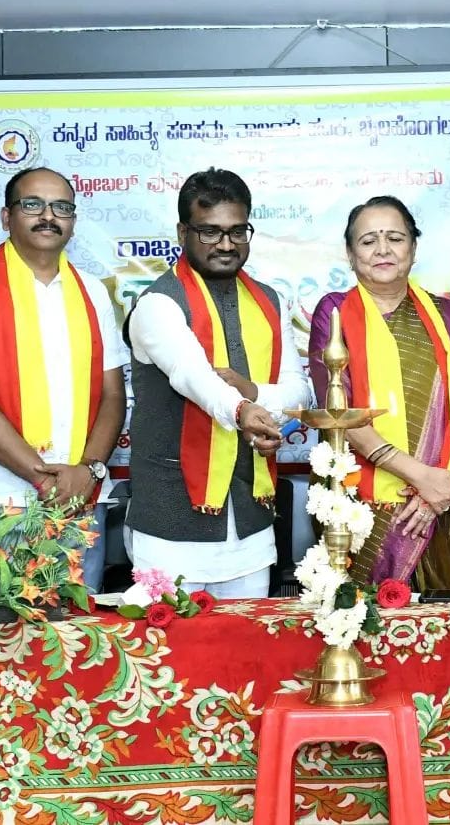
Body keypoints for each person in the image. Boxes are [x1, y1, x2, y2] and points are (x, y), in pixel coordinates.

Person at [304, 196, 450, 589]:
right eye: (368, 240)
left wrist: (445, 486)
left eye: (395, 238)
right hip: (360, 508)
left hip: (444, 505)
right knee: (362, 616)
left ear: (414, 248)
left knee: (443, 619)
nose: (382, 249)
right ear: (350, 254)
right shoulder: (334, 316)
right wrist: (422, 478)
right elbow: (340, 414)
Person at [0, 167, 127, 588]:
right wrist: (42, 477)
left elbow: (112, 394)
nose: (48, 216)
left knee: (78, 627)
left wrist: (88, 470)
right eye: (33, 205)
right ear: (6, 217)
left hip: (79, 500)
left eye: (61, 207)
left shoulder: (93, 292)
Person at [123, 168, 309, 598]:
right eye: (209, 232)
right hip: (171, 524)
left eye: (237, 231)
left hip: (250, 524)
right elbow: (193, 376)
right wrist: (244, 410)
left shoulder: (270, 301)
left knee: (245, 640)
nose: (226, 244)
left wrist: (253, 394)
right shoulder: (157, 304)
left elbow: (298, 390)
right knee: (168, 642)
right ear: (182, 232)